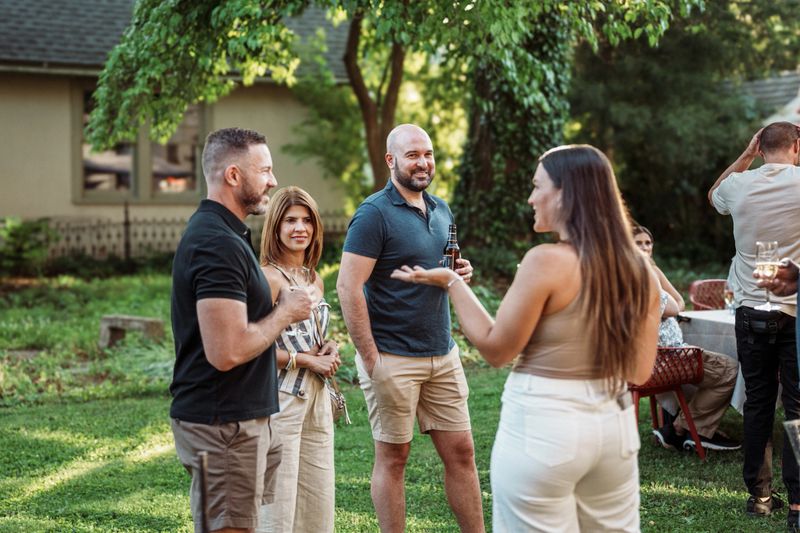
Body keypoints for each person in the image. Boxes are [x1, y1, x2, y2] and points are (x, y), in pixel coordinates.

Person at [392, 144, 662, 532]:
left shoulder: (546, 261)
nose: (531, 197)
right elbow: (639, 369)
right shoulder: (642, 271)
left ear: (566, 193)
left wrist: (452, 283)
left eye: (538, 187)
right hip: (613, 428)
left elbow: (497, 349)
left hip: (546, 425)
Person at [337, 124, 484, 533]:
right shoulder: (373, 214)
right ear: (391, 161)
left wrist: (458, 272)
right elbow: (348, 287)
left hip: (443, 353)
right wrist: (371, 359)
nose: (423, 162)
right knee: (394, 458)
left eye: (429, 154)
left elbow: (439, 267)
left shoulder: (441, 209)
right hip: (393, 357)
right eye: (413, 155)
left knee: (462, 454)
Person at [169, 128, 313, 533]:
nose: (273, 180)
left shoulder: (227, 235)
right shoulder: (216, 244)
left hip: (242, 417)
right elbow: (226, 350)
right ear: (233, 175)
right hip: (224, 425)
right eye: (264, 170)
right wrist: (285, 311)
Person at [709, 122, 800, 524]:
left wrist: (745, 156)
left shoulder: (740, 184)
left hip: (750, 309)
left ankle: (760, 497)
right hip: (794, 311)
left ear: (760, 147)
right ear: (797, 146)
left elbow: (714, 194)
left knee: (758, 403)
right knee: (797, 409)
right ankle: (798, 504)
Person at [256, 186, 341, 532]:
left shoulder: (312, 277)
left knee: (317, 497)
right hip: (282, 399)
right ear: (276, 226)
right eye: (290, 220)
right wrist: (306, 361)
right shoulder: (268, 277)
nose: (299, 228)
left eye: (306, 220)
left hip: (318, 398)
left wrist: (330, 346)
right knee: (278, 503)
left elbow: (313, 333)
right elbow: (253, 345)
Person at [632, 225, 740, 452]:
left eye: (647, 243)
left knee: (713, 364)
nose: (644, 248)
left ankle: (682, 427)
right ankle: (684, 428)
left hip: (640, 362)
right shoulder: (642, 277)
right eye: (637, 243)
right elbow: (674, 306)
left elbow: (678, 305)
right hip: (666, 359)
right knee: (730, 368)